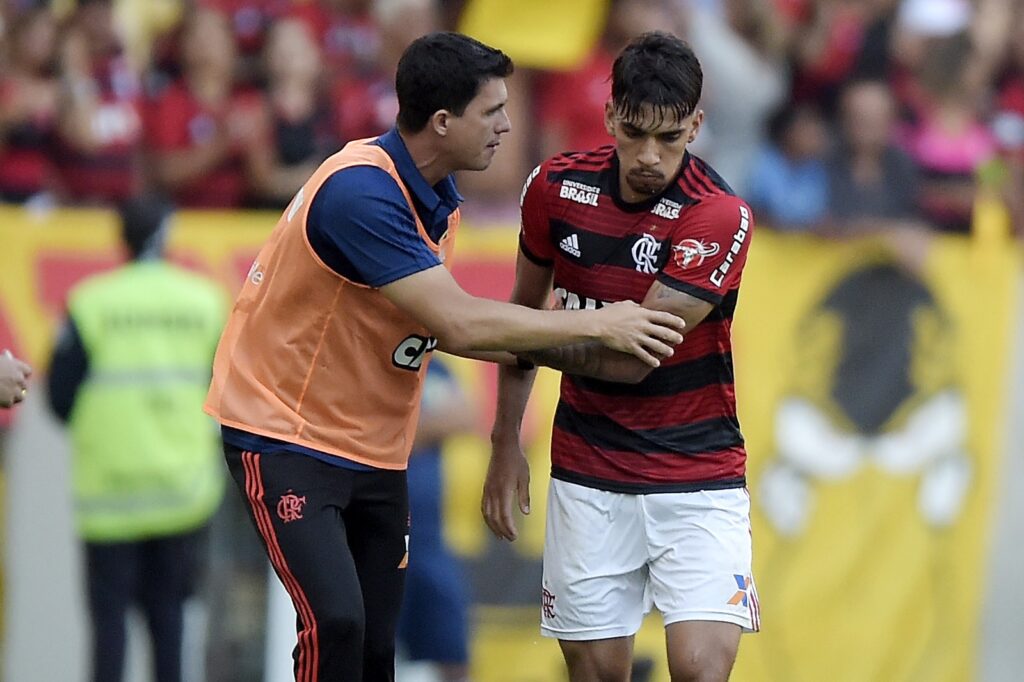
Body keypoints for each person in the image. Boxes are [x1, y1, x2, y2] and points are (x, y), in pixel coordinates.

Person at [203, 30, 685, 682]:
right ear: (442, 122)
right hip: (287, 437)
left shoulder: (438, 201)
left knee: (377, 645)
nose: (508, 126)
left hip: (374, 446)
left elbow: (467, 333)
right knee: (337, 622)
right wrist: (600, 326)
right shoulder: (360, 194)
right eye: (492, 112)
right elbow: (459, 325)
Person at [482, 32, 759, 682]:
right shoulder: (553, 188)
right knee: (598, 674)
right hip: (588, 469)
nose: (648, 155)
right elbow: (523, 312)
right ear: (609, 116)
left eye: (669, 137)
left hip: (698, 473)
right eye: (635, 132)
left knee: (698, 669)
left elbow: (634, 359)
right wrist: (503, 442)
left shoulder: (717, 215)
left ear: (696, 125)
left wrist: (517, 332)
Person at [46, 194, 227, 682]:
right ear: (168, 236)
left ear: (120, 237)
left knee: (109, 629)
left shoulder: (91, 302)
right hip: (182, 492)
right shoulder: (205, 301)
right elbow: (229, 390)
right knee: (169, 622)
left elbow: (59, 399)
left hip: (110, 494)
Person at [397, 357, 474, 682]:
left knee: (452, 650)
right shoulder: (364, 352)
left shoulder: (428, 362)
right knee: (367, 646)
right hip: (371, 536)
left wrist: (399, 432)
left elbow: (463, 415)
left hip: (428, 540)